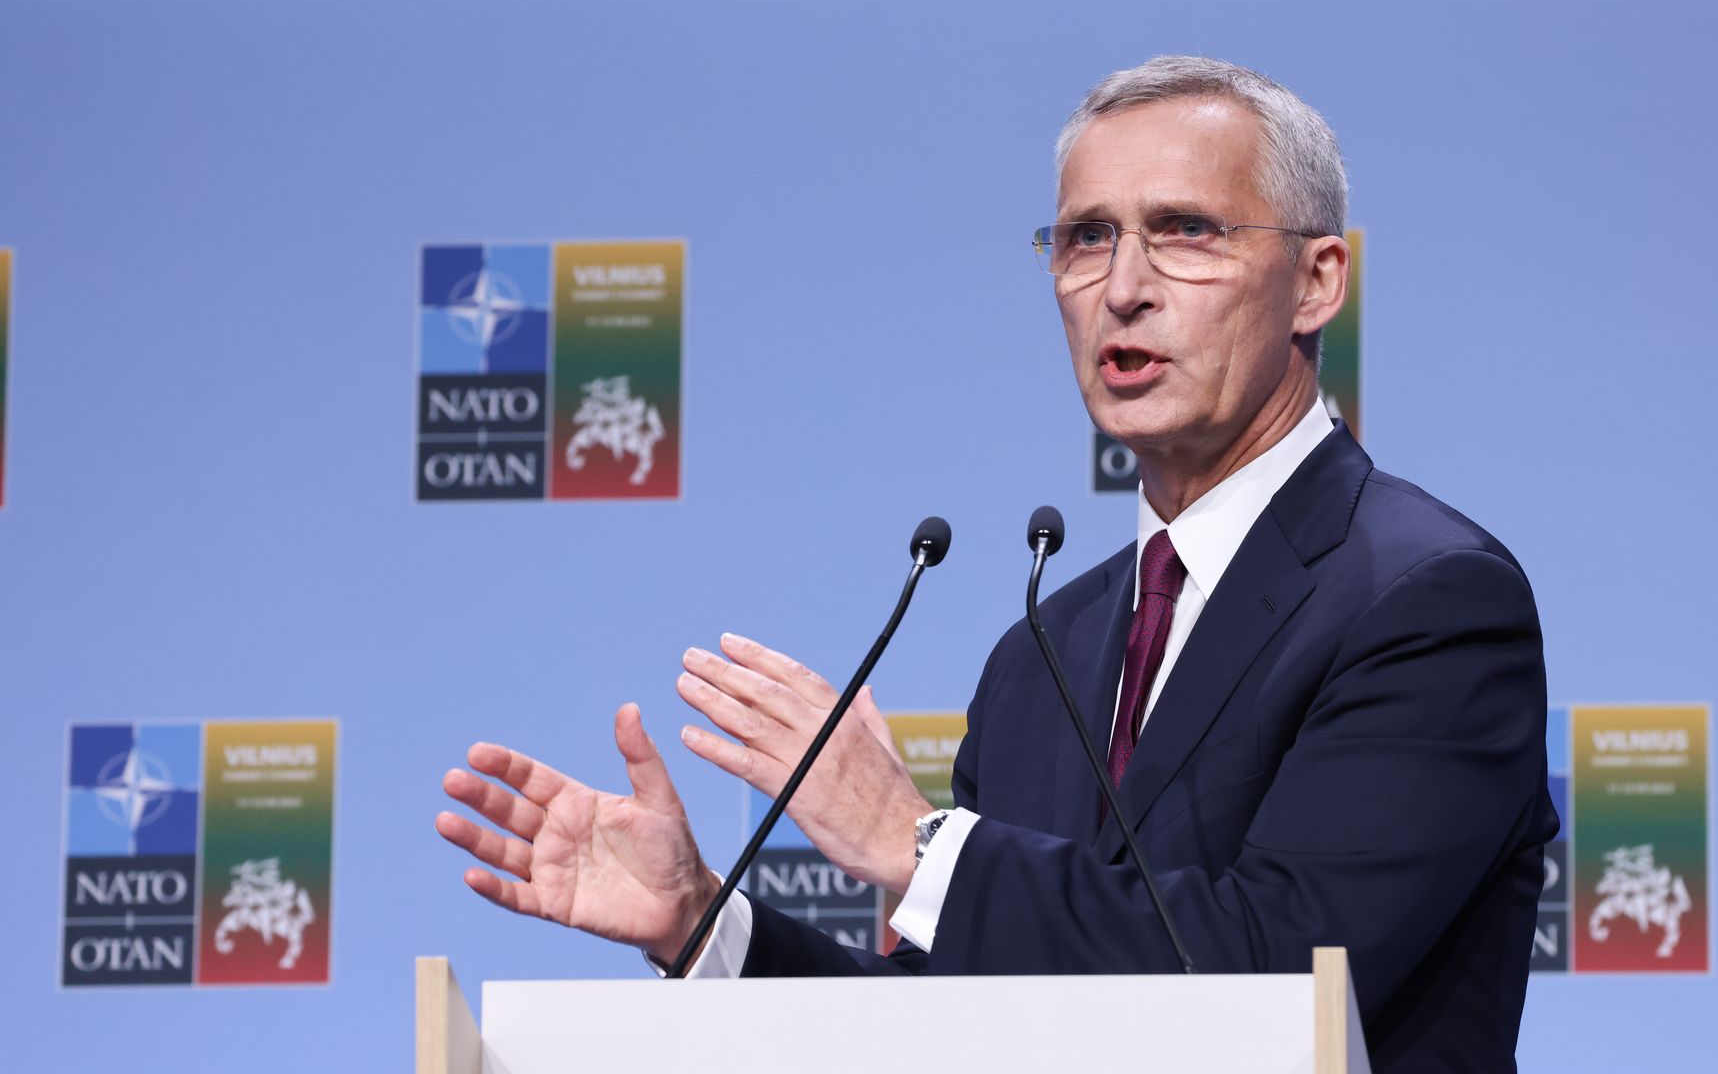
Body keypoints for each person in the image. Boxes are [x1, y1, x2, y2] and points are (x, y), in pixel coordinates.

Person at [436, 55, 1556, 1073]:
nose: (1124, 286)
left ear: (1317, 281)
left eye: (1185, 231)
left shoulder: (1426, 597)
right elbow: (943, 1034)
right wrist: (702, 923)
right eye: (1085, 237)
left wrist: (918, 847)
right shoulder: (1042, 655)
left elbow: (1278, 967)